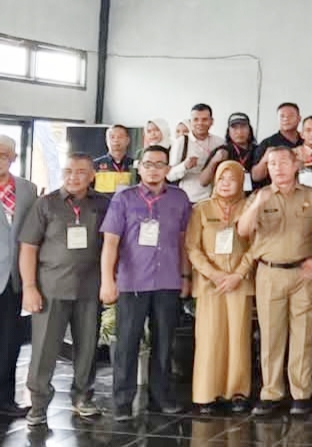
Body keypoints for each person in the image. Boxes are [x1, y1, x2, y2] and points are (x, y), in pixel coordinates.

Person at [99, 145, 193, 420]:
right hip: (132, 282)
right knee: (127, 344)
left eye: (159, 164)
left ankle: (159, 397)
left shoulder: (179, 198)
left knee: (164, 344)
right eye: (148, 164)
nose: (153, 169)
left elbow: (184, 241)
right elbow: (110, 243)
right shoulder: (124, 198)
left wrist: (186, 276)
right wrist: (107, 281)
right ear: (139, 167)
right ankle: (122, 401)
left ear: (168, 169)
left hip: (168, 281)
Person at [18, 153, 109, 426]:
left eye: (80, 172)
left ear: (92, 175)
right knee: (44, 351)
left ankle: (83, 397)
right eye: (68, 171)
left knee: (87, 349)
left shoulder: (103, 204)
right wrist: (29, 287)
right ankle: (38, 404)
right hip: (51, 289)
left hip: (89, 289)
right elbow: (28, 248)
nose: (73, 176)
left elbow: (113, 245)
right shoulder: (45, 204)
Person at [237, 146, 312, 416]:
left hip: (304, 273)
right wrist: (258, 204)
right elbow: (243, 231)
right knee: (271, 336)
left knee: (304, 334)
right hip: (270, 273)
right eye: (272, 164)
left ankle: (301, 393)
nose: (278, 168)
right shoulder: (258, 196)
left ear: (296, 165)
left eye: (283, 162)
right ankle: (271, 392)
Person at [185, 161, 254, 415]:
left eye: (231, 179)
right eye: (221, 178)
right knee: (209, 338)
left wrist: (238, 274)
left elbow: (256, 246)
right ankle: (206, 393)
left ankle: (237, 392)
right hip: (209, 283)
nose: (226, 184)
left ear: (240, 182)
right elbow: (192, 247)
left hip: (239, 282)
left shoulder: (249, 208)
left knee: (238, 337)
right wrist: (213, 274)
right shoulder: (201, 209)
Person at [0, 134, 37, 416]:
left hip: (14, 278)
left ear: (14, 158)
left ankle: (1, 398)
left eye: (2, 155)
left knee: (8, 343)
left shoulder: (27, 189)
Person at [168, 104, 225, 203]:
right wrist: (184, 166)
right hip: (189, 199)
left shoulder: (219, 142)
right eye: (196, 119)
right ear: (190, 122)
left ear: (211, 121)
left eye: (204, 119)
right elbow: (169, 176)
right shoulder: (181, 142)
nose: (200, 123)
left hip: (214, 199)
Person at [200, 112, 257, 191]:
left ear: (249, 129)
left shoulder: (258, 150)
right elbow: (203, 182)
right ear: (228, 131)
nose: (239, 132)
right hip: (227, 196)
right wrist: (214, 161)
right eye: (235, 128)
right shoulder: (222, 151)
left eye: (243, 127)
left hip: (254, 197)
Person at [251, 103, 303, 188]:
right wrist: (265, 159)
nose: (286, 119)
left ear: (299, 118)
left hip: (303, 191)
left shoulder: (306, 141)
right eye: (282, 116)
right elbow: (255, 177)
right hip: (275, 192)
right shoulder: (268, 143)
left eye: (290, 116)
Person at [93, 124, 135, 195]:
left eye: (120, 137)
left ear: (127, 140)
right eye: (112, 137)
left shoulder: (134, 165)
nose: (116, 140)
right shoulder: (95, 165)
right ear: (107, 141)